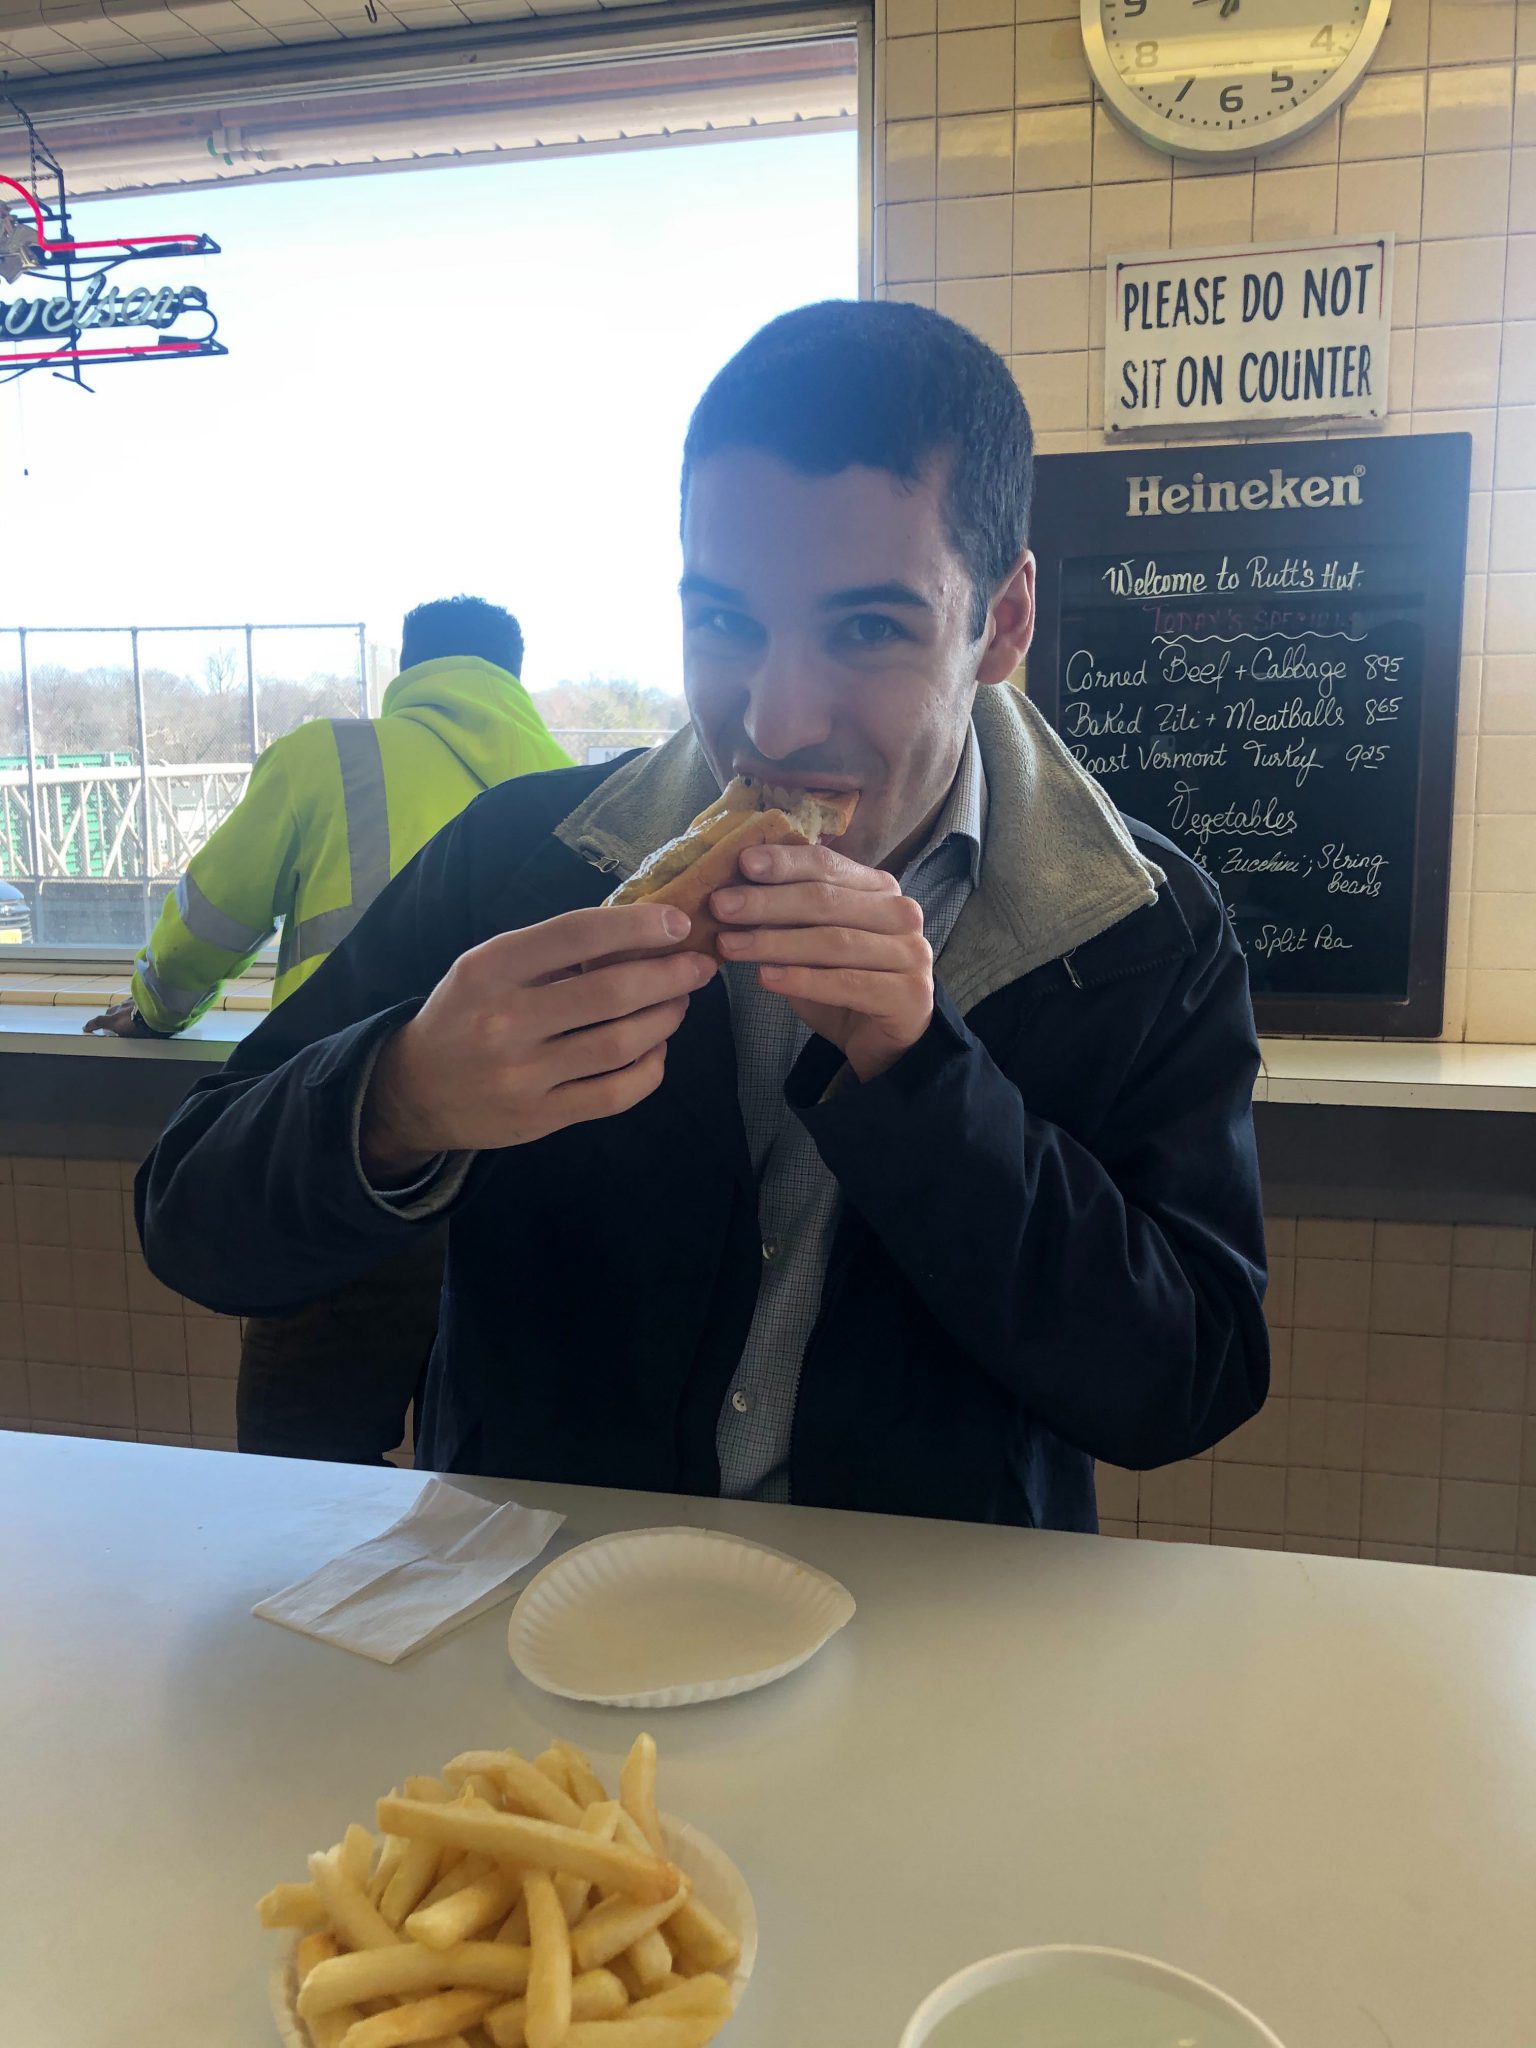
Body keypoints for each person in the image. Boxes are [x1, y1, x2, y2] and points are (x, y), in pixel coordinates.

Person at [137, 303, 1269, 1529]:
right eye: (724, 620)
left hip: (927, 1657)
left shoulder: (1139, 927)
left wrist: (924, 1078)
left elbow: (1185, 1384)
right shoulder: (525, 862)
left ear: (1002, 621)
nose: (776, 722)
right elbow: (191, 1223)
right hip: (541, 1631)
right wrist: (403, 1095)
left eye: (870, 627)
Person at [100, 596, 572, 1464]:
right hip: (522, 1186)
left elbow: (210, 920)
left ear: (409, 668)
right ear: (513, 677)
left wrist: (156, 1009)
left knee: (303, 1472)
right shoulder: (573, 785)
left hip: (361, 1151)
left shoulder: (336, 756)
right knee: (471, 1486)